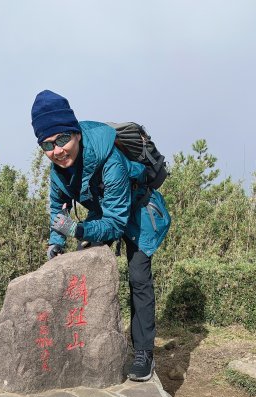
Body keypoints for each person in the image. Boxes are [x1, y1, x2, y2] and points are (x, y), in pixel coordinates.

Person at [31, 90, 171, 381]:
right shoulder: (59, 170)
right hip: (104, 211)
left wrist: (78, 229)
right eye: (47, 144)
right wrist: (55, 242)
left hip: (138, 211)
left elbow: (117, 223)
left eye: (62, 140)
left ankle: (144, 352)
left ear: (76, 134)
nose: (57, 150)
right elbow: (58, 206)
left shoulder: (111, 161)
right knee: (86, 263)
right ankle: (90, 344)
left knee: (139, 276)